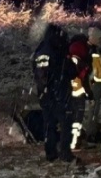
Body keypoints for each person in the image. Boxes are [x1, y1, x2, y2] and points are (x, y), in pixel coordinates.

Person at [33, 24, 78, 164]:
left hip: (53, 94)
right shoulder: (50, 52)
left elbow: (68, 71)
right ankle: (61, 153)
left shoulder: (52, 51)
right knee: (63, 124)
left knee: (52, 124)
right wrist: (49, 91)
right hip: (56, 94)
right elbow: (42, 75)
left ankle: (52, 153)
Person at [81, 22, 101, 142]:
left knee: (94, 111)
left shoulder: (96, 49)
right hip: (92, 85)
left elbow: (100, 68)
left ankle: (92, 133)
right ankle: (89, 135)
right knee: (91, 111)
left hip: (97, 85)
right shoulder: (89, 50)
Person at [67, 34, 94, 150]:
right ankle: (74, 143)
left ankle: (72, 141)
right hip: (77, 90)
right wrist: (88, 93)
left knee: (72, 117)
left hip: (70, 91)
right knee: (77, 118)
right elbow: (82, 77)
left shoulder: (70, 54)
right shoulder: (80, 56)